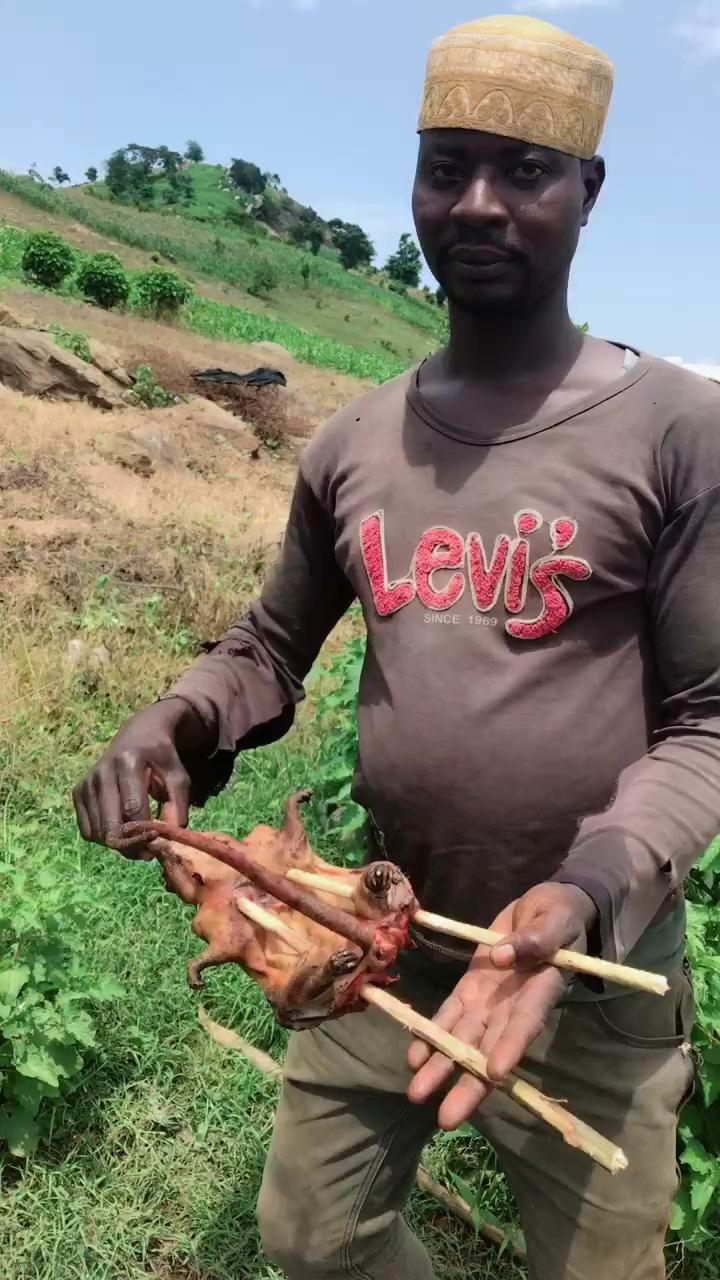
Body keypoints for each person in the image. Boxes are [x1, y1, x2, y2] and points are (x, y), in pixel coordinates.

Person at [73, 14, 720, 1280]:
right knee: (315, 1239)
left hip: (590, 966)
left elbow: (709, 719)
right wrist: (180, 719)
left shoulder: (676, 430)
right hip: (374, 931)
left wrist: (584, 889)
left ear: (588, 191)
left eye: (525, 170)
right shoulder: (357, 441)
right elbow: (270, 645)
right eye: (446, 167)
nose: (477, 204)